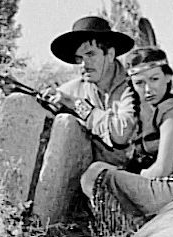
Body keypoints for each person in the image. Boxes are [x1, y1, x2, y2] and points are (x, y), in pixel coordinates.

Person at [80, 46, 173, 219]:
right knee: (97, 171)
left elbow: (162, 169)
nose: (148, 89)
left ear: (168, 76)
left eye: (154, 79)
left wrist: (133, 177)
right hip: (169, 188)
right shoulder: (146, 111)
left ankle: (131, 225)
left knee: (100, 175)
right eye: (140, 83)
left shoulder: (170, 110)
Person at [41, 16, 139, 166]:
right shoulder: (76, 87)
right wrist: (15, 91)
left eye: (90, 54)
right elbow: (44, 107)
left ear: (110, 54)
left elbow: (121, 134)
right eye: (78, 58)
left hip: (134, 174)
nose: (84, 65)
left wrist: (79, 106)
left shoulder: (133, 89)